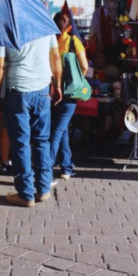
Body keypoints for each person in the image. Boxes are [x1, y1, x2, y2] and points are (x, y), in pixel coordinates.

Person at [0, 35, 62, 207]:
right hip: (43, 91)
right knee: (41, 141)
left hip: (18, 91)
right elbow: (56, 57)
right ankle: (44, 189)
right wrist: (58, 85)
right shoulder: (44, 24)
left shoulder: (4, 28)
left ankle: (25, 193)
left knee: (21, 143)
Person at [51, 12, 90, 180]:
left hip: (52, 90)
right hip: (69, 93)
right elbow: (85, 66)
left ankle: (66, 166)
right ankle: (47, 167)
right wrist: (76, 80)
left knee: (62, 129)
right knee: (58, 131)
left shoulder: (50, 43)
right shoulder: (74, 41)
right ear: (69, 27)